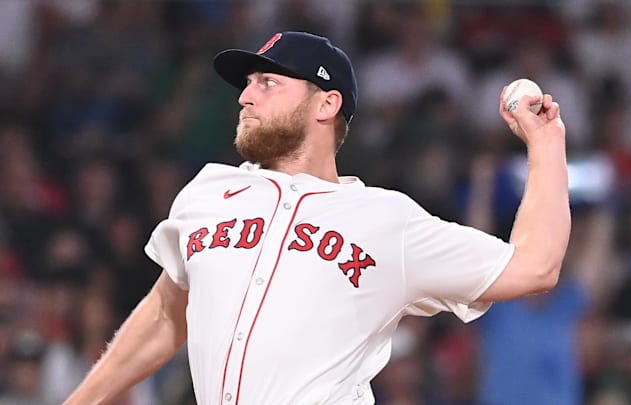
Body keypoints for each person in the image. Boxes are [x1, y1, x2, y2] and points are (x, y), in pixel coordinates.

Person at [63, 31, 570, 404]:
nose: (245, 95)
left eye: (267, 83)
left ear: (326, 104)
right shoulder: (208, 194)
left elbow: (535, 266)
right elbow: (164, 313)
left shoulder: (384, 220)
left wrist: (546, 144)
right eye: (247, 84)